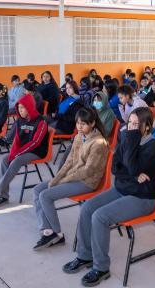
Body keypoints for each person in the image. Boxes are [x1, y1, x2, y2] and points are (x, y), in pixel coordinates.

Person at [62, 107, 155, 287]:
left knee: (100, 217)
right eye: (129, 123)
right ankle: (85, 256)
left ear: (147, 127)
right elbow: (116, 168)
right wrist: (133, 175)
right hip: (123, 188)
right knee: (87, 209)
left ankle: (101, 268)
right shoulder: (126, 137)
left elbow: (130, 167)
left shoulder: (153, 146)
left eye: (135, 124)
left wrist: (130, 166)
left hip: (142, 197)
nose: (130, 127)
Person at [33, 107, 109, 250]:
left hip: (87, 181)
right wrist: (57, 178)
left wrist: (63, 180)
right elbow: (69, 161)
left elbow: (88, 171)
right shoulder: (79, 136)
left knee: (46, 196)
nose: (79, 127)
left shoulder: (98, 143)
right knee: (37, 190)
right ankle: (47, 230)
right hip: (74, 176)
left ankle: (56, 234)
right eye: (78, 123)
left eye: (83, 124)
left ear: (92, 123)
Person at [0, 94, 49, 208]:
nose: (20, 110)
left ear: (29, 107)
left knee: (17, 160)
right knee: (5, 159)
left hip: (37, 152)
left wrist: (17, 154)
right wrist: (13, 153)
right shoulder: (20, 121)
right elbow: (17, 140)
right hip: (23, 150)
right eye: (19, 108)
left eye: (23, 108)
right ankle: (3, 195)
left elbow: (35, 142)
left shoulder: (41, 122)